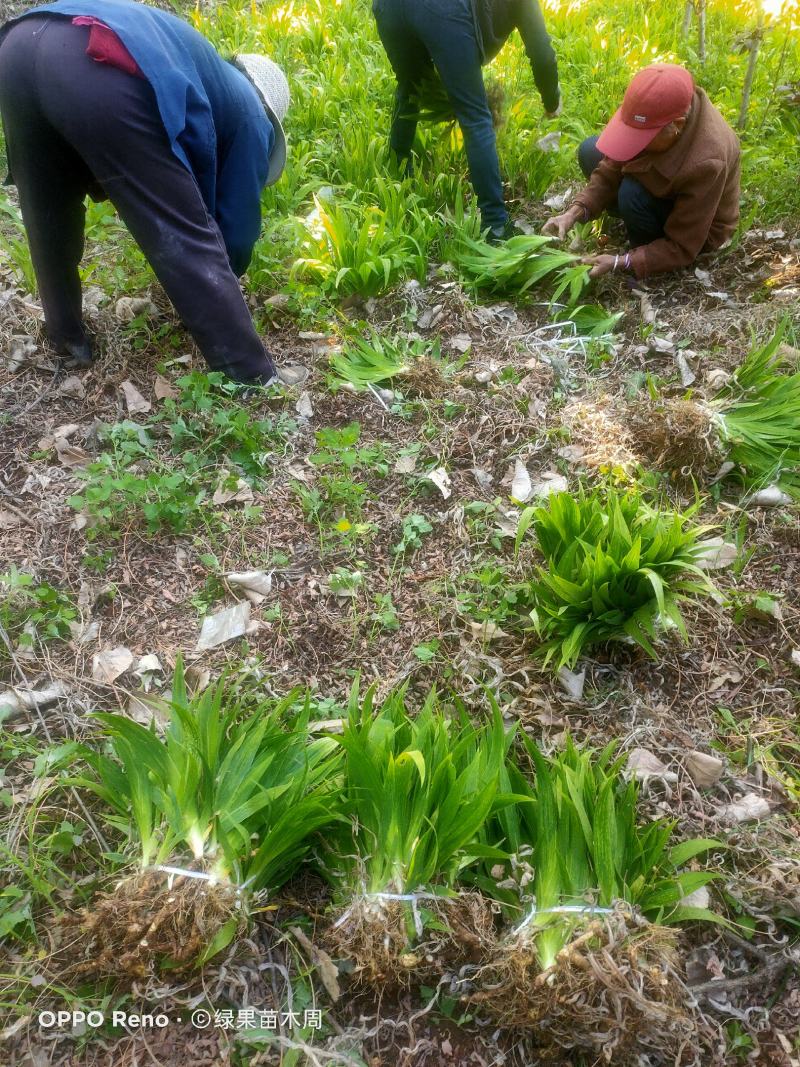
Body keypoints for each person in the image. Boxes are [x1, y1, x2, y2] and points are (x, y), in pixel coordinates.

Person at [0, 0, 289, 384]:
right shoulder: (253, 113)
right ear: (269, 107)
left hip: (18, 46)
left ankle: (66, 337)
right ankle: (251, 375)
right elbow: (233, 230)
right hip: (92, 56)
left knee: (47, 206)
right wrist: (221, 279)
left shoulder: (205, 70)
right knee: (180, 229)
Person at [372, 0, 560, 240]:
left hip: (389, 9)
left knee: (410, 85)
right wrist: (552, 101)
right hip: (440, 10)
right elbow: (542, 53)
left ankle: (397, 176)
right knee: (475, 117)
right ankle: (496, 224)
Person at [543, 64, 740, 279]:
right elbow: (613, 164)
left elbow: (684, 245)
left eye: (644, 138)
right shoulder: (662, 106)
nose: (637, 145)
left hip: (695, 229)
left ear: (677, 126)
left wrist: (623, 261)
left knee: (632, 193)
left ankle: (646, 248)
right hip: (666, 186)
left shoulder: (708, 161)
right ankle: (635, 215)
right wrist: (574, 213)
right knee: (591, 151)